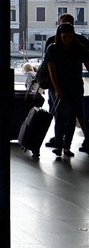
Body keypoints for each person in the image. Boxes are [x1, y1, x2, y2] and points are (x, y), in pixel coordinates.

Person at [45, 23, 89, 157]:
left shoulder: (80, 48)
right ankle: (59, 146)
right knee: (61, 117)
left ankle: (66, 147)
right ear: (59, 36)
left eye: (70, 37)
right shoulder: (52, 49)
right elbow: (51, 72)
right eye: (64, 37)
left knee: (70, 117)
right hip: (58, 86)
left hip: (75, 87)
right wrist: (57, 89)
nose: (67, 40)